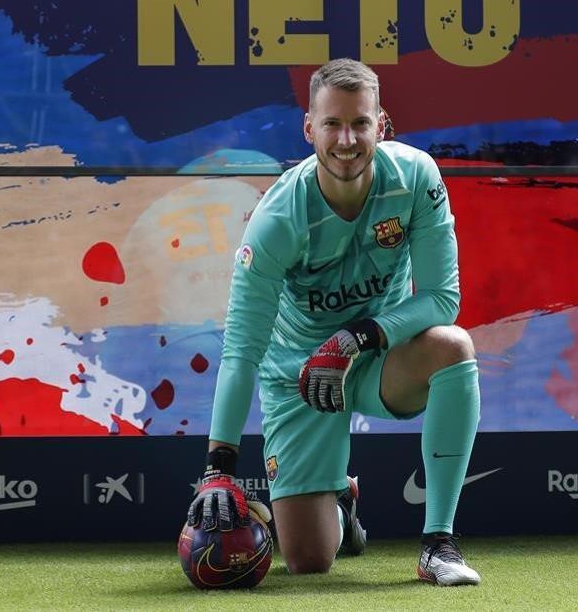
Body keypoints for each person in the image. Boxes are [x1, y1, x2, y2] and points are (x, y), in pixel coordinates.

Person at [186, 58, 482, 586]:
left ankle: (439, 543)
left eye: (360, 123)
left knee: (452, 346)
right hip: (299, 377)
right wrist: (218, 470)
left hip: (376, 359)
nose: (347, 139)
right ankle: (341, 501)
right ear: (309, 128)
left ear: (381, 125)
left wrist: (355, 337)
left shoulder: (416, 178)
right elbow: (241, 352)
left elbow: (442, 299)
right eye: (332, 124)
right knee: (308, 560)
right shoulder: (277, 222)